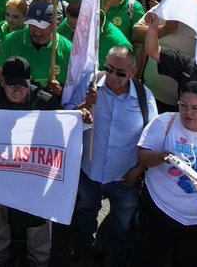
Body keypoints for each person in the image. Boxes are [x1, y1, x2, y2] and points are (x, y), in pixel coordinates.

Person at [73, 46, 157, 265]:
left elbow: (152, 138)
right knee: (85, 216)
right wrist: (85, 105)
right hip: (89, 171)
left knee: (123, 225)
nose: (112, 76)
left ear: (133, 72)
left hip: (124, 178)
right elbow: (68, 116)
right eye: (109, 69)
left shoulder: (143, 96)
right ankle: (84, 256)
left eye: (120, 72)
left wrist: (138, 169)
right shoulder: (91, 84)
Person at [134, 81, 197, 266]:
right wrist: (161, 157)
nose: (188, 113)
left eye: (196, 108)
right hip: (159, 210)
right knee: (150, 258)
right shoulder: (164, 122)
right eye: (183, 106)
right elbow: (142, 156)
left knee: (186, 261)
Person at [0, 56, 60, 266]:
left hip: (34, 174)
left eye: (22, 85)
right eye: (12, 85)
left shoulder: (46, 103)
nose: (17, 90)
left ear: (30, 81)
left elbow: (59, 140)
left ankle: (39, 259)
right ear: (2, 81)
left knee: (39, 219)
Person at [0, 1, 72, 89]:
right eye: (33, 26)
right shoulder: (10, 41)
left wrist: (60, 91)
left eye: (43, 27)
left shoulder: (68, 50)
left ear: (56, 25)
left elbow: (74, 89)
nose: (37, 33)